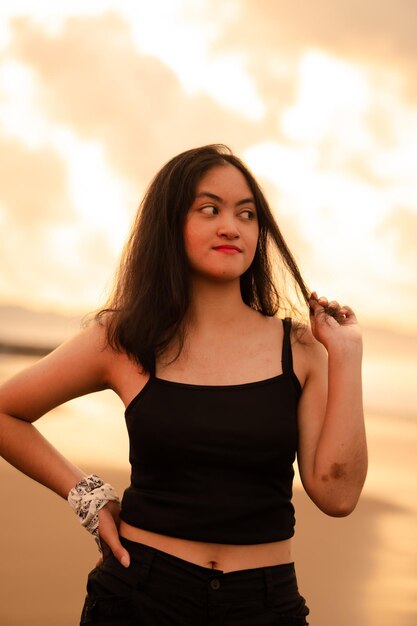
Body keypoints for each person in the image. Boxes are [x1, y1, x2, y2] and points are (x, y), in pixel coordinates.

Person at [0, 144, 367, 625]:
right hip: (141, 595)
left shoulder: (300, 348)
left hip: (264, 605)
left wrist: (347, 355)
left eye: (247, 213)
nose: (231, 226)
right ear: (171, 224)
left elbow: (337, 496)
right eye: (209, 209)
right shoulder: (123, 339)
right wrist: (86, 496)